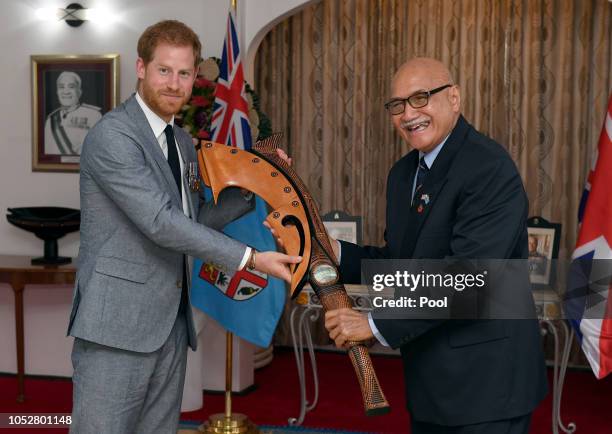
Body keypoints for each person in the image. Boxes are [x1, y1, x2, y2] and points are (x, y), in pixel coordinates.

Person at [67, 20, 300, 434]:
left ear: (195, 77)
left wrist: (256, 180)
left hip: (171, 326)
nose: (174, 83)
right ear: (141, 68)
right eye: (164, 70)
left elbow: (193, 220)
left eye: (185, 73)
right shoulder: (112, 137)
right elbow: (160, 222)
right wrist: (250, 258)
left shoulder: (183, 143)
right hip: (116, 330)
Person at [324, 58, 547, 433]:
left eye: (421, 98)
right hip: (430, 380)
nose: (409, 114)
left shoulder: (488, 167)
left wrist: (373, 324)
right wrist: (337, 252)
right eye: (398, 105)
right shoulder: (402, 175)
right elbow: (402, 264)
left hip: (485, 386)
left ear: (454, 98)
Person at [44, 71, 102, 155]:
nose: (66, 91)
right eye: (61, 87)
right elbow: (47, 152)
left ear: (79, 91)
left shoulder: (94, 115)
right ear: (57, 92)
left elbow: (100, 149)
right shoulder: (50, 120)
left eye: (71, 87)